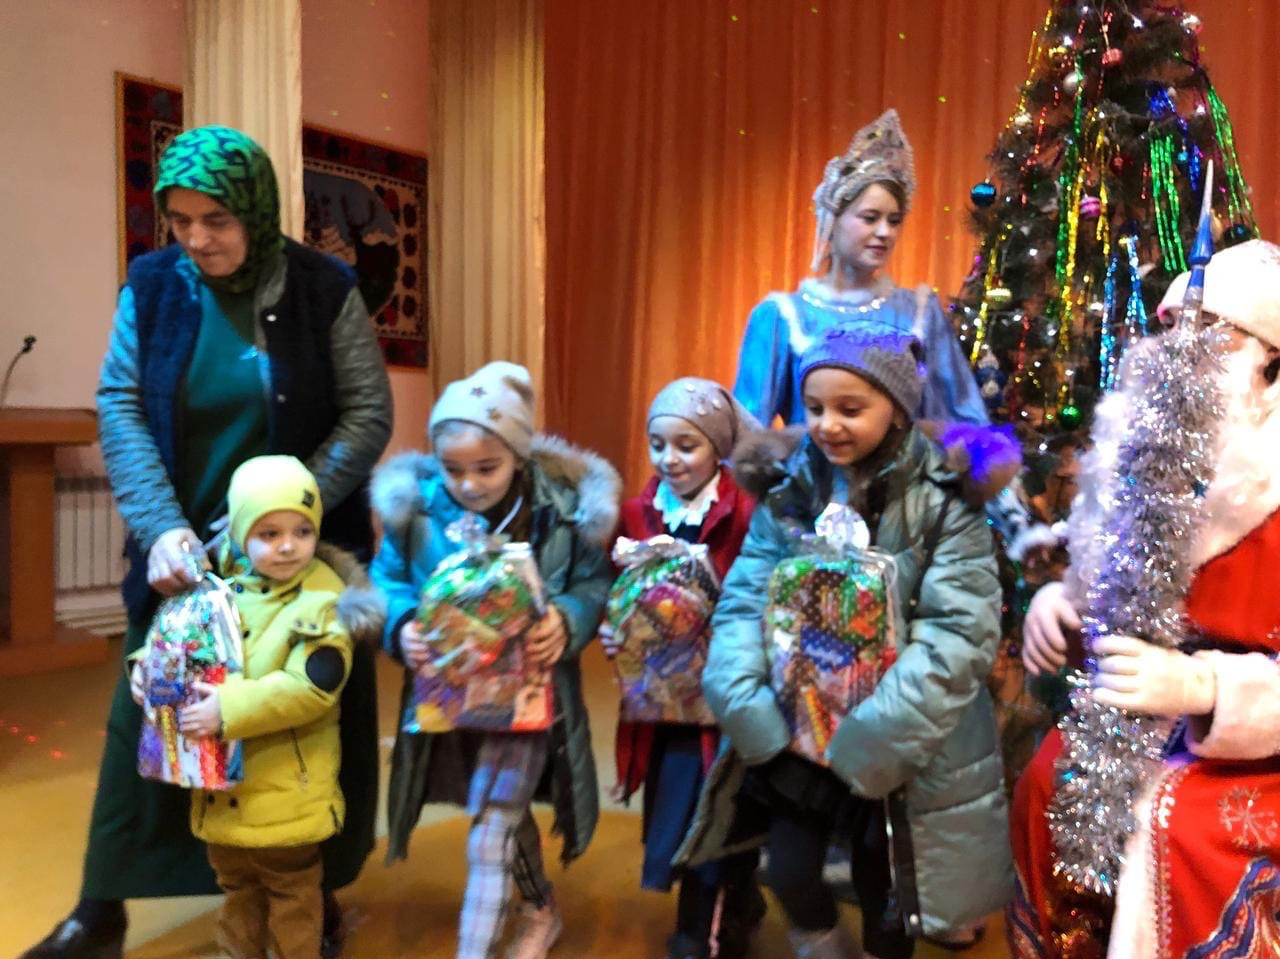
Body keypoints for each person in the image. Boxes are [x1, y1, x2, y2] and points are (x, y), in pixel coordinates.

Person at [22, 125, 392, 959]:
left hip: (298, 555)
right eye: (180, 219)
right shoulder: (153, 286)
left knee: (300, 728)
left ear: (256, 211)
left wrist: (289, 507)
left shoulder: (324, 288)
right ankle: (101, 908)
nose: (196, 238)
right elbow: (121, 402)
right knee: (149, 717)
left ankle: (311, 895)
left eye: (216, 219)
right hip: (185, 554)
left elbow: (369, 413)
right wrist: (161, 527)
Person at [680, 327, 1017, 959]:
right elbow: (744, 603)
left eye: (850, 409)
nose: (827, 425)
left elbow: (959, 633)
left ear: (897, 409)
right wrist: (746, 702)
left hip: (900, 740)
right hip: (798, 730)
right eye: (814, 408)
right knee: (789, 871)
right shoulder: (789, 490)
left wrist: (875, 739)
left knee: (888, 893)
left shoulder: (945, 501)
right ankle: (823, 944)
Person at [1009, 239, 1280, 959]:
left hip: (1256, 747)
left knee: (1175, 829)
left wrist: (1205, 687)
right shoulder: (1145, 464)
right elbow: (1107, 589)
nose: (1174, 360)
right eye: (1170, 332)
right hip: (1146, 718)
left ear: (1270, 368)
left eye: (1210, 336)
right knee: (1048, 779)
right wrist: (1061, 605)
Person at [370, 361, 619, 959]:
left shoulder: (559, 510)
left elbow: (593, 583)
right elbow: (387, 580)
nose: (470, 484)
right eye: (453, 469)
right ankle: (539, 906)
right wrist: (401, 626)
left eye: (487, 468)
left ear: (519, 455)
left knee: (491, 826)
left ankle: (479, 944)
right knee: (496, 810)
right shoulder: (419, 510)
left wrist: (568, 618)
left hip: (531, 700)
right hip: (452, 697)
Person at [128, 455, 382, 959]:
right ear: (241, 534)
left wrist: (229, 707)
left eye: (302, 531)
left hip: (287, 791)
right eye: (269, 533)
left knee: (293, 896)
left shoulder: (323, 600)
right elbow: (179, 638)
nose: (288, 545)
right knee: (237, 889)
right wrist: (147, 669)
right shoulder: (213, 584)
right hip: (221, 788)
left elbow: (310, 688)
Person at [603, 377, 764, 959]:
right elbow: (617, 592)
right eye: (657, 444)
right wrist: (614, 627)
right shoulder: (637, 513)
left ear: (718, 447)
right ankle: (736, 902)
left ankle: (701, 933)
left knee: (717, 804)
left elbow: (762, 590)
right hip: (662, 699)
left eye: (686, 445)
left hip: (724, 697)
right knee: (675, 805)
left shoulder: (747, 513)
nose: (669, 458)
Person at [733, 109, 986, 430]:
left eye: (894, 221)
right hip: (812, 462)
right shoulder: (782, 318)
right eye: (870, 218)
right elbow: (746, 429)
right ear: (833, 220)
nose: (885, 232)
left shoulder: (919, 313)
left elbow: (963, 421)